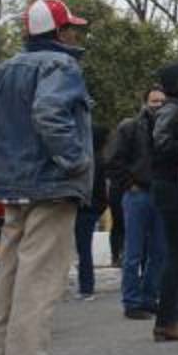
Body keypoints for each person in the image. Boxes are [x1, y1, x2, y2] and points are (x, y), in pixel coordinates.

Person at [0, 0, 91, 355]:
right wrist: (73, 160)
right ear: (60, 31)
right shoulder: (62, 64)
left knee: (12, 271)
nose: (75, 32)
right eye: (71, 27)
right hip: (51, 184)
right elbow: (49, 114)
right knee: (41, 275)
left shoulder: (5, 69)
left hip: (12, 183)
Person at [106, 87, 168, 320]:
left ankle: (149, 298)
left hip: (160, 194)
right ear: (144, 102)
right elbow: (113, 160)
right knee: (133, 252)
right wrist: (129, 184)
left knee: (159, 252)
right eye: (154, 101)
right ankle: (131, 302)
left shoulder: (168, 128)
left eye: (162, 101)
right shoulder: (129, 127)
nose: (158, 105)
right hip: (137, 194)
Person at [151, 62, 178, 343]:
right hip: (171, 188)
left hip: (174, 187)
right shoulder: (173, 109)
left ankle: (176, 314)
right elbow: (162, 143)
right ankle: (167, 319)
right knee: (177, 254)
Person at [73, 125, 110, 300]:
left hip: (82, 208)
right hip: (91, 209)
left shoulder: (86, 160)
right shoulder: (100, 159)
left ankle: (86, 287)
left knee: (82, 249)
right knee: (83, 249)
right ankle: (86, 287)